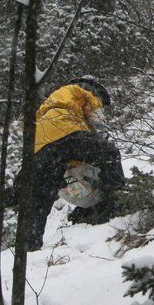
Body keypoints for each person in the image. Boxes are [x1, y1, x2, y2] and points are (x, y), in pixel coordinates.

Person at [27, 76, 125, 250]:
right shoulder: (83, 92)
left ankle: (30, 246)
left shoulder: (50, 102)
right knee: (110, 153)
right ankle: (115, 201)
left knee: (41, 198)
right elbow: (98, 125)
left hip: (39, 144)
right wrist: (101, 142)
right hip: (66, 130)